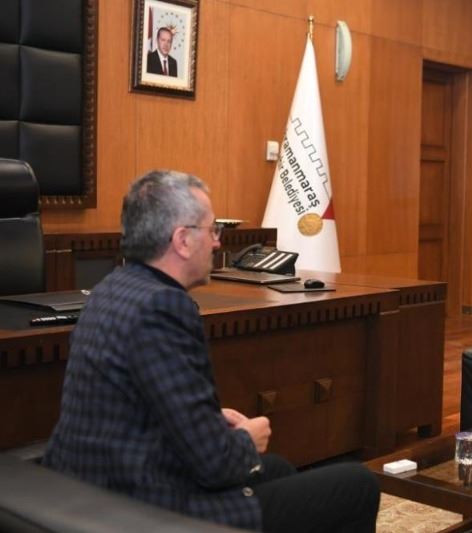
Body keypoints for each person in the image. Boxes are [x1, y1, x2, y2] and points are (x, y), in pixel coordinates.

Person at [43, 170, 380, 532]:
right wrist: (248, 439)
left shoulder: (110, 289)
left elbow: (135, 401)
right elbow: (215, 465)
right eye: (212, 230)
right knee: (356, 484)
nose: (218, 243)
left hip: (94, 487)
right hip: (145, 507)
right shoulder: (164, 308)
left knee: (277, 470)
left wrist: (206, 420)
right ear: (183, 240)